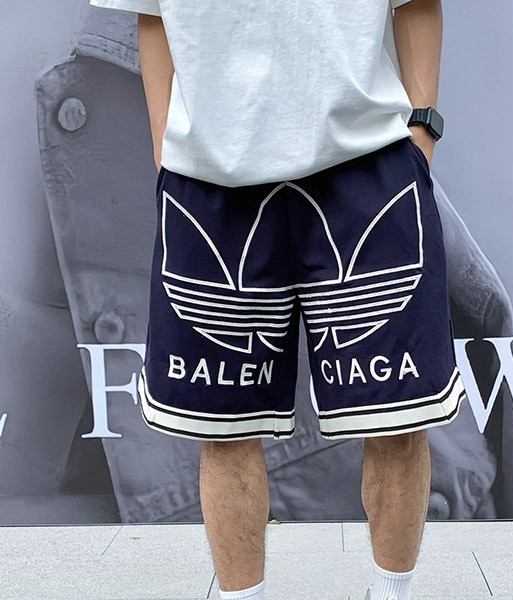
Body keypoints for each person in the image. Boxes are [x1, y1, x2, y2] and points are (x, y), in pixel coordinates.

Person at [88, 0, 466, 598]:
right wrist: (165, 145)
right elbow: (153, 14)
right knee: (224, 428)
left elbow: (417, 3)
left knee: (398, 420)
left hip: (367, 161)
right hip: (210, 178)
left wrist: (422, 130)